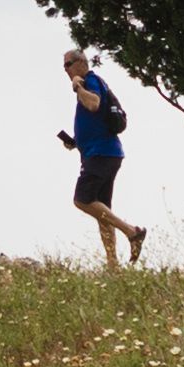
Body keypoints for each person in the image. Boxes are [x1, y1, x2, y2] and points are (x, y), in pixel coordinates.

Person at [57, 48, 147, 267]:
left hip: (101, 154)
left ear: (80, 63)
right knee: (102, 211)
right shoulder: (91, 82)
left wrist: (78, 85)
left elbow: (94, 104)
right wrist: (76, 142)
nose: (65, 70)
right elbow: (95, 118)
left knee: (82, 200)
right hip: (102, 153)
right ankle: (113, 265)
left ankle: (131, 231)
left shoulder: (90, 80)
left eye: (68, 64)